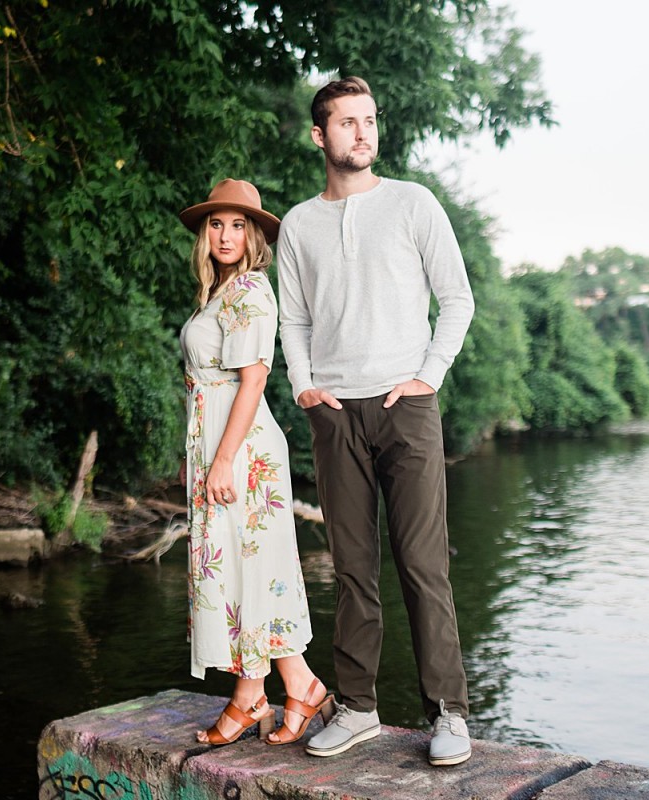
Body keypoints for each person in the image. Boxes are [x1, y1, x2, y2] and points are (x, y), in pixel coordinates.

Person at [276, 77, 476, 766]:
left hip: (407, 408)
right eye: (346, 122)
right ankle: (358, 707)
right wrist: (304, 386)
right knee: (353, 568)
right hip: (335, 413)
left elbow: (456, 299)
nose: (362, 132)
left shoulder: (413, 204)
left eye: (369, 120)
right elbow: (294, 317)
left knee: (424, 567)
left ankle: (448, 713)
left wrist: (429, 375)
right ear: (320, 135)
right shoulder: (300, 223)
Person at [177, 178, 334, 747]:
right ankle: (292, 687)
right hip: (216, 445)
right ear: (204, 231)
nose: (225, 234)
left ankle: (254, 696)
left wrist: (221, 461)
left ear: (253, 236)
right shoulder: (217, 293)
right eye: (217, 223)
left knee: (250, 568)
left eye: (238, 224)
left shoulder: (250, 291)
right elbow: (204, 389)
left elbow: (252, 381)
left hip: (242, 450)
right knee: (247, 571)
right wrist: (193, 458)